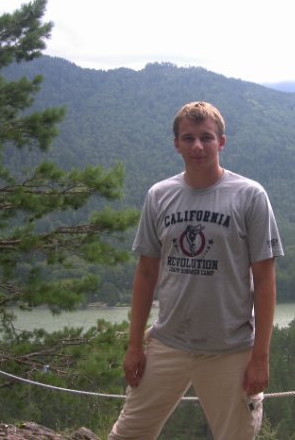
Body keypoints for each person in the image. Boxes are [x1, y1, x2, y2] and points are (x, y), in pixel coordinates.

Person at [108, 101, 283, 439]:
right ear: (176, 143)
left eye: (206, 137)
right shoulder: (159, 196)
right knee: (128, 435)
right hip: (168, 342)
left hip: (230, 350)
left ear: (222, 142)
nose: (198, 146)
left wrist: (260, 356)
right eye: (188, 138)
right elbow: (146, 273)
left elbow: (264, 280)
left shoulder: (250, 196)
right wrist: (134, 345)